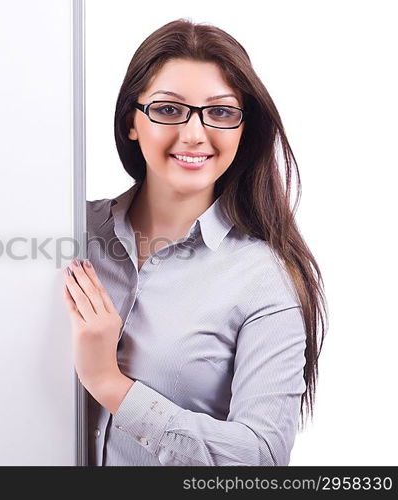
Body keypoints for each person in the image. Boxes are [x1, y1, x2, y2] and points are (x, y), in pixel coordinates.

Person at [62, 18, 328, 466]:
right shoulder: (68, 232)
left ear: (243, 130)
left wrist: (109, 383)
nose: (194, 134)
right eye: (169, 109)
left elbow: (261, 461)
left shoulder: (265, 280)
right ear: (132, 121)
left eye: (220, 112)